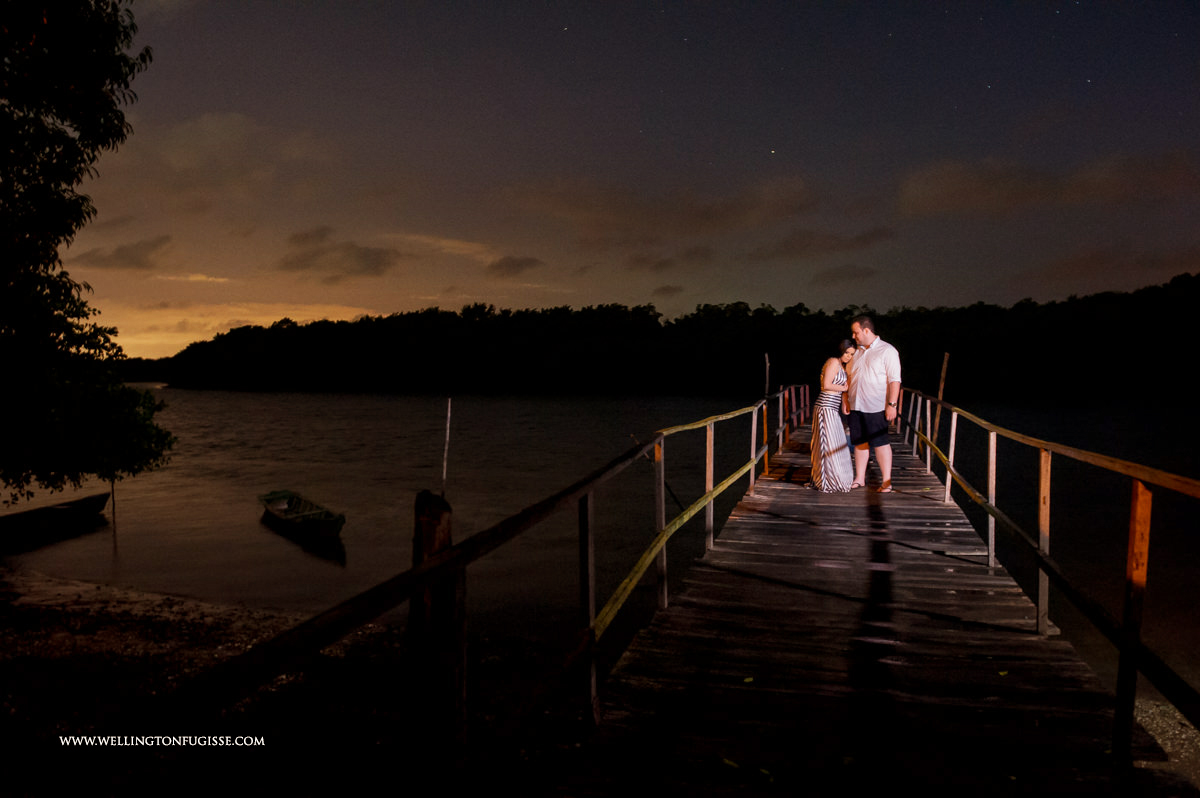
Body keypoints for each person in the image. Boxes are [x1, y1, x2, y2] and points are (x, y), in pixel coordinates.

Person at [844, 315, 902, 492]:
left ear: (866, 330)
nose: (854, 337)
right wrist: (845, 399)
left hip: (876, 406)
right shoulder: (857, 352)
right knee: (859, 443)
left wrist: (892, 404)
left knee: (881, 443)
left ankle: (886, 481)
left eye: (856, 333)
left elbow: (894, 380)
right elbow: (849, 378)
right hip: (856, 406)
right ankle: (860, 478)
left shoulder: (887, 351)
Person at [809, 339, 855, 492]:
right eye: (847, 353)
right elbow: (826, 385)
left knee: (835, 443)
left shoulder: (842, 366)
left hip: (832, 408)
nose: (848, 356)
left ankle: (835, 476)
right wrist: (844, 387)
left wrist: (844, 401)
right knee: (826, 444)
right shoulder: (833, 361)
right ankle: (825, 480)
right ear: (841, 351)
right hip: (824, 407)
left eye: (852, 354)